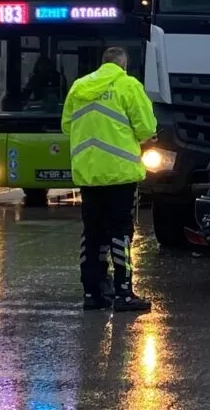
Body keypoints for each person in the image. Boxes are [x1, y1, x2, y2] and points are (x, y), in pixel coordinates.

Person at [61, 46, 157, 311]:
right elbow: (147, 128)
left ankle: (92, 294)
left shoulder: (79, 87)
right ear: (123, 65)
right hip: (120, 173)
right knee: (120, 232)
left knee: (92, 232)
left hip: (89, 174)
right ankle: (124, 293)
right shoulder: (128, 85)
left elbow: (67, 126)